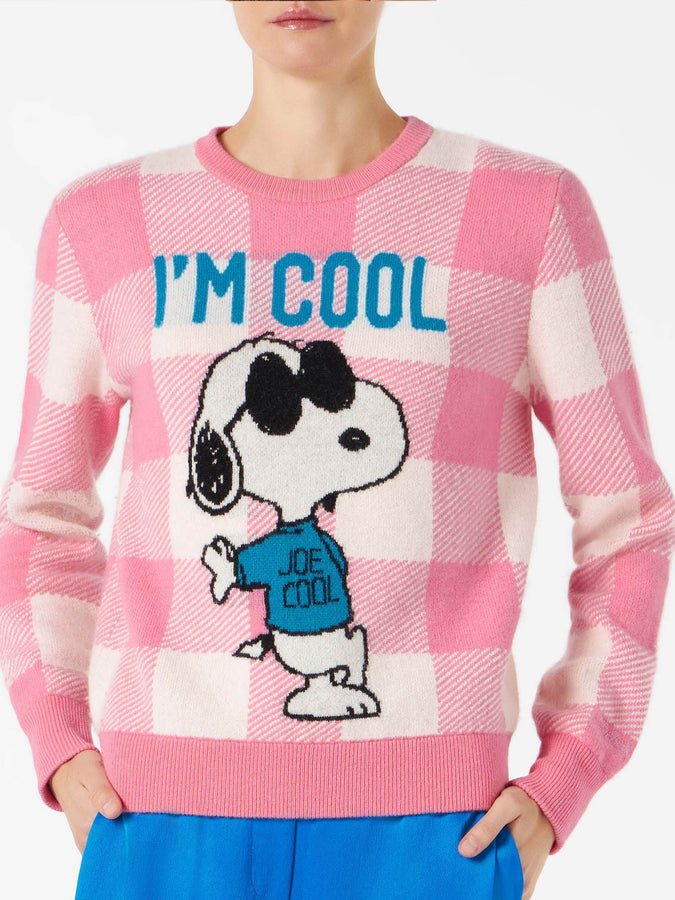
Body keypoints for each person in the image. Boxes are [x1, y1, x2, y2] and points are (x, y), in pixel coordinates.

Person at [0, 2, 673, 898]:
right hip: (156, 822)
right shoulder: (102, 222)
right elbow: (41, 518)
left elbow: (629, 520)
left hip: (436, 835)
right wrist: (59, 740)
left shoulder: (526, 211)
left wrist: (568, 773)